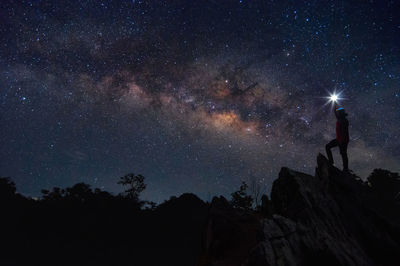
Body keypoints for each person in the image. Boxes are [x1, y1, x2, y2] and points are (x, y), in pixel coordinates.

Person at [326, 104, 349, 171]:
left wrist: (341, 141)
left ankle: (345, 169)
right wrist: (334, 104)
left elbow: (344, 131)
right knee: (327, 147)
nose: (337, 114)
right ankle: (331, 161)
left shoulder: (344, 121)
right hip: (339, 139)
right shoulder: (339, 119)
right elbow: (335, 112)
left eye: (339, 113)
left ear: (341, 114)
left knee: (343, 153)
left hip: (343, 140)